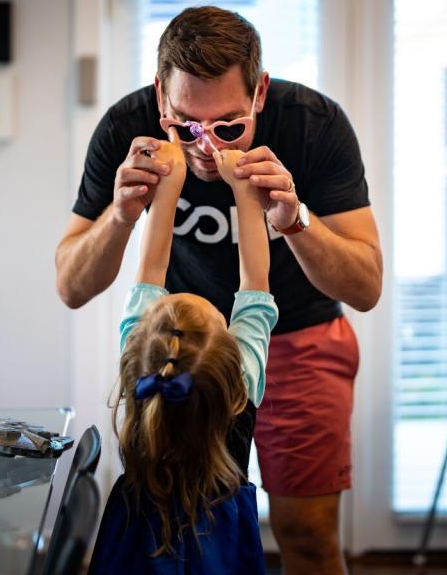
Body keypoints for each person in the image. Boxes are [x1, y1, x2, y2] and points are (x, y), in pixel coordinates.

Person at [56, 6, 383, 574]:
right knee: (172, 521)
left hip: (300, 336)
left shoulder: (315, 125)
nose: (206, 146)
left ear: (260, 93)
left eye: (228, 126)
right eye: (185, 125)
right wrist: (120, 216)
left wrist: (295, 219)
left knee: (306, 535)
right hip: (180, 354)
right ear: (161, 97)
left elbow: (366, 286)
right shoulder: (124, 128)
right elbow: (71, 286)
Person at [88, 136, 277, 573]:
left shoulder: (141, 372)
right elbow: (255, 286)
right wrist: (246, 195)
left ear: (135, 352)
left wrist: (168, 185)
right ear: (233, 383)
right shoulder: (241, 385)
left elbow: (149, 269)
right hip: (226, 546)